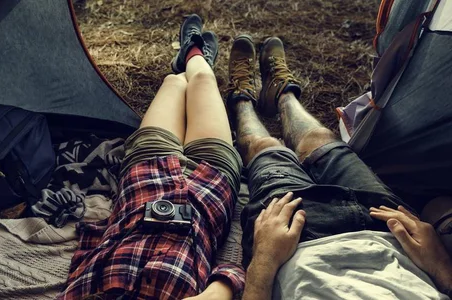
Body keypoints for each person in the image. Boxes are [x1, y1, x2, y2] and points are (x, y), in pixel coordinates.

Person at [224, 34, 452, 299]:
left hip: (295, 243)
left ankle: (241, 100)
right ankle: (283, 94)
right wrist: (443, 270)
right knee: (321, 142)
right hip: (389, 230)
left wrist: (263, 259)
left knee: (265, 149)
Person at [56, 14, 244, 299]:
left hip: (146, 174)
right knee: (204, 80)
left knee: (175, 82)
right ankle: (198, 57)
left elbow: (88, 244)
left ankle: (188, 56)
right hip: (210, 186)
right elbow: (234, 274)